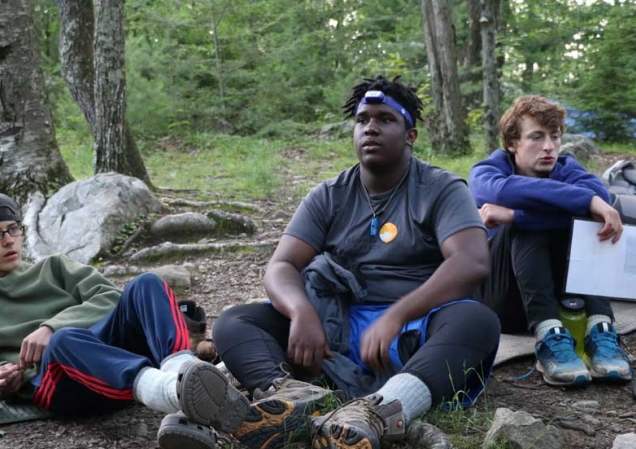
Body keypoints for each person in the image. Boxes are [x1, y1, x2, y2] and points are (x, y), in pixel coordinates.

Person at [212, 75, 501, 449]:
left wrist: (395, 315)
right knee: (235, 322)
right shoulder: (329, 194)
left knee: (477, 322)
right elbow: (281, 264)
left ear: (410, 135)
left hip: (412, 332)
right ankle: (291, 400)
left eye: (385, 120)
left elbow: (471, 261)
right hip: (334, 331)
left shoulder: (441, 189)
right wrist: (302, 313)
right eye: (363, 120)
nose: (371, 129)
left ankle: (378, 411)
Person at [0, 193, 248, 449]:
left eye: (14, 229)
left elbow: (109, 297)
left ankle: (180, 374)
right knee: (65, 340)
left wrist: (50, 326)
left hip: (108, 356)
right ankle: (170, 392)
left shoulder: (53, 268)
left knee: (146, 283)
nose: (8, 241)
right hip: (56, 381)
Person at [468, 95, 632, 387]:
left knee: (575, 218)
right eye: (536, 137)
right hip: (503, 300)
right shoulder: (487, 171)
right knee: (533, 223)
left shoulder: (567, 168)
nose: (548, 147)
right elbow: (502, 190)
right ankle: (547, 335)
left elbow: (600, 195)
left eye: (555, 138)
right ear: (512, 143)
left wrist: (515, 214)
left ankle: (601, 330)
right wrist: (586, 201)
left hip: (559, 293)